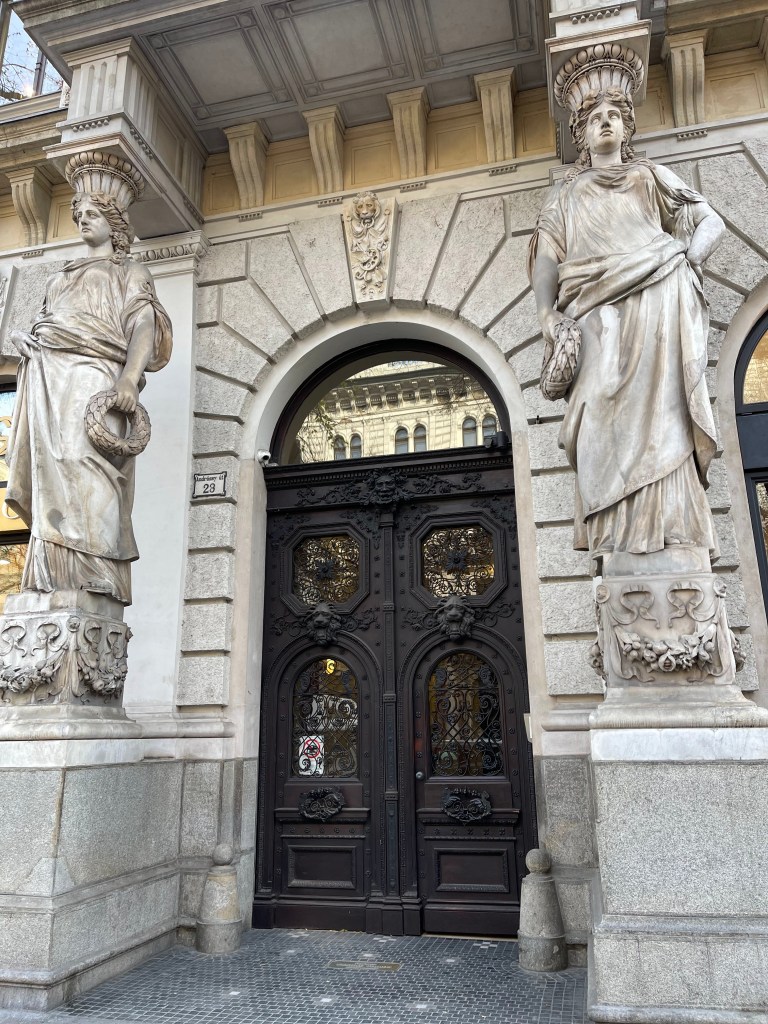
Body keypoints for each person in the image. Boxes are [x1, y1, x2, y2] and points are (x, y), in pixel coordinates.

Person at [529, 86, 725, 565]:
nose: (606, 121)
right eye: (594, 116)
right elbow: (547, 257)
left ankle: (672, 530)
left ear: (626, 128)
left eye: (615, 114)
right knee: (597, 407)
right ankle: (614, 534)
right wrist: (546, 313)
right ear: (581, 134)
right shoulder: (566, 194)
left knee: (665, 414)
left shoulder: (649, 176)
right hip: (593, 310)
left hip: (657, 297)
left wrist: (688, 261)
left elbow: (710, 222)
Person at [6, 191, 172, 604]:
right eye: (79, 214)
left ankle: (99, 570)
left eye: (93, 214)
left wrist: (129, 378)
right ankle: (52, 575)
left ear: (114, 226)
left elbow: (143, 325)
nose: (83, 220)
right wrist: (27, 342)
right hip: (48, 372)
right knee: (50, 468)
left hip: (96, 371)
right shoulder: (60, 276)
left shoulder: (130, 271)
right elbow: (48, 321)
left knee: (87, 462)